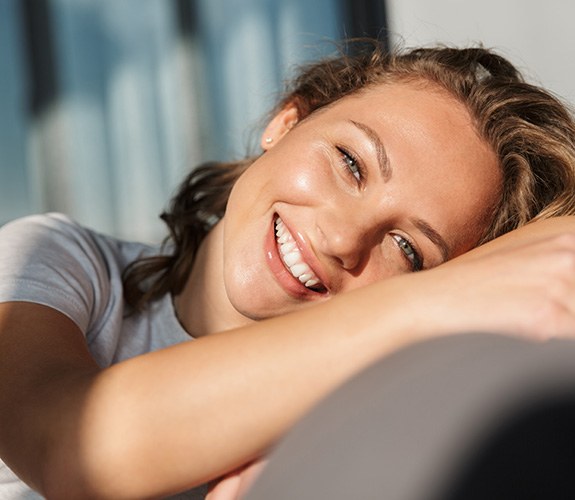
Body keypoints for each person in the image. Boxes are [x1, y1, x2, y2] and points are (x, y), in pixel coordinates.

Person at [1, 39, 575, 499]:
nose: (342, 238)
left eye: (407, 249)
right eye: (350, 162)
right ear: (286, 122)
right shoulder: (60, 261)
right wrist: (445, 296)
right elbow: (67, 445)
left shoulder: (354, 422)